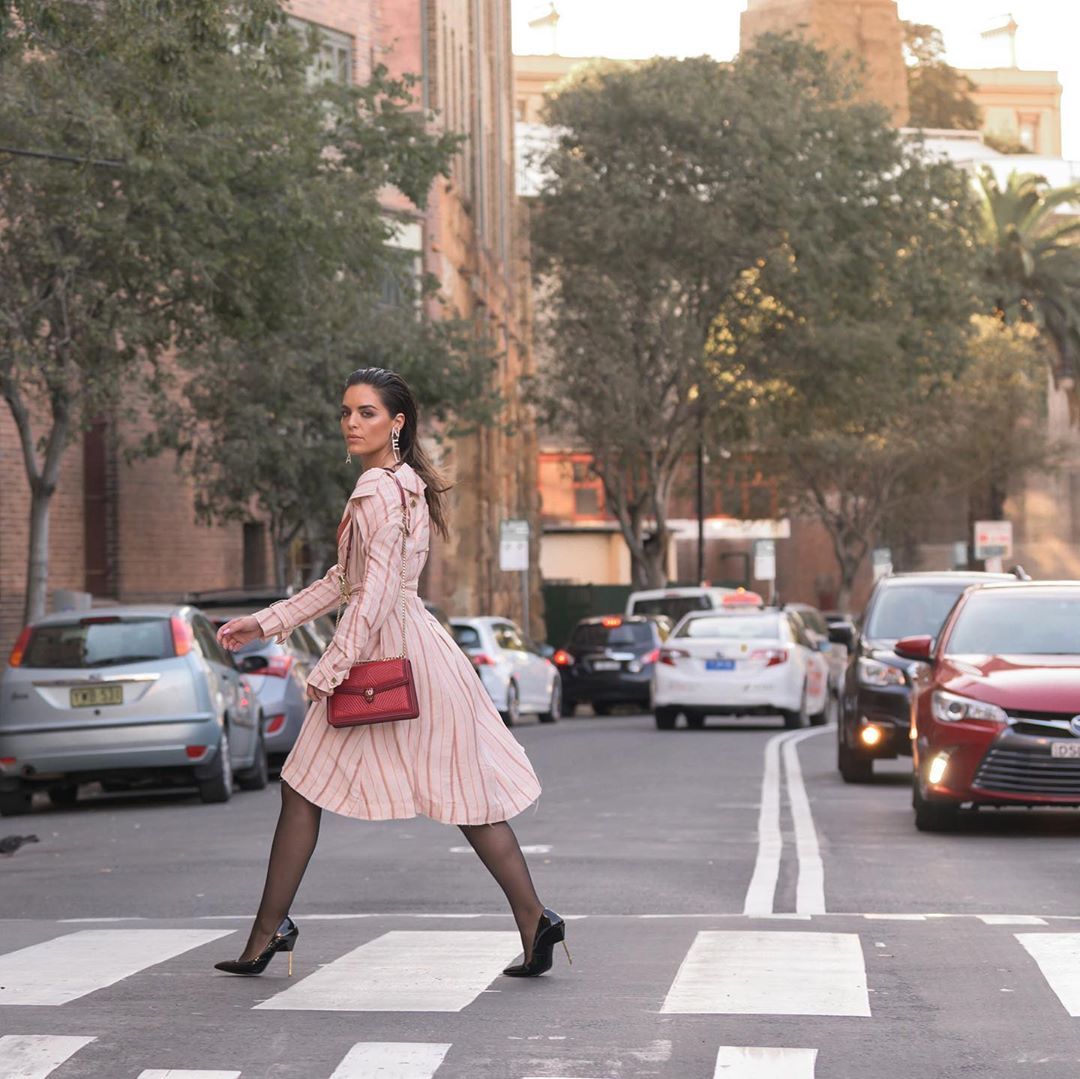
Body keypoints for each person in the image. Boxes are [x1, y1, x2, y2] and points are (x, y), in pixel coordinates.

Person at [212, 367, 567, 979]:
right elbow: (345, 582)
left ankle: (269, 933)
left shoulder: (378, 489)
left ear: (397, 423)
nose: (351, 423)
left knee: (311, 789)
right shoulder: (403, 485)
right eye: (346, 412)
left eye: (367, 413)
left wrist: (332, 666)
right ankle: (536, 921)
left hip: (387, 657)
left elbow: (372, 594)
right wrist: (266, 621)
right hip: (415, 654)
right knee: (458, 793)